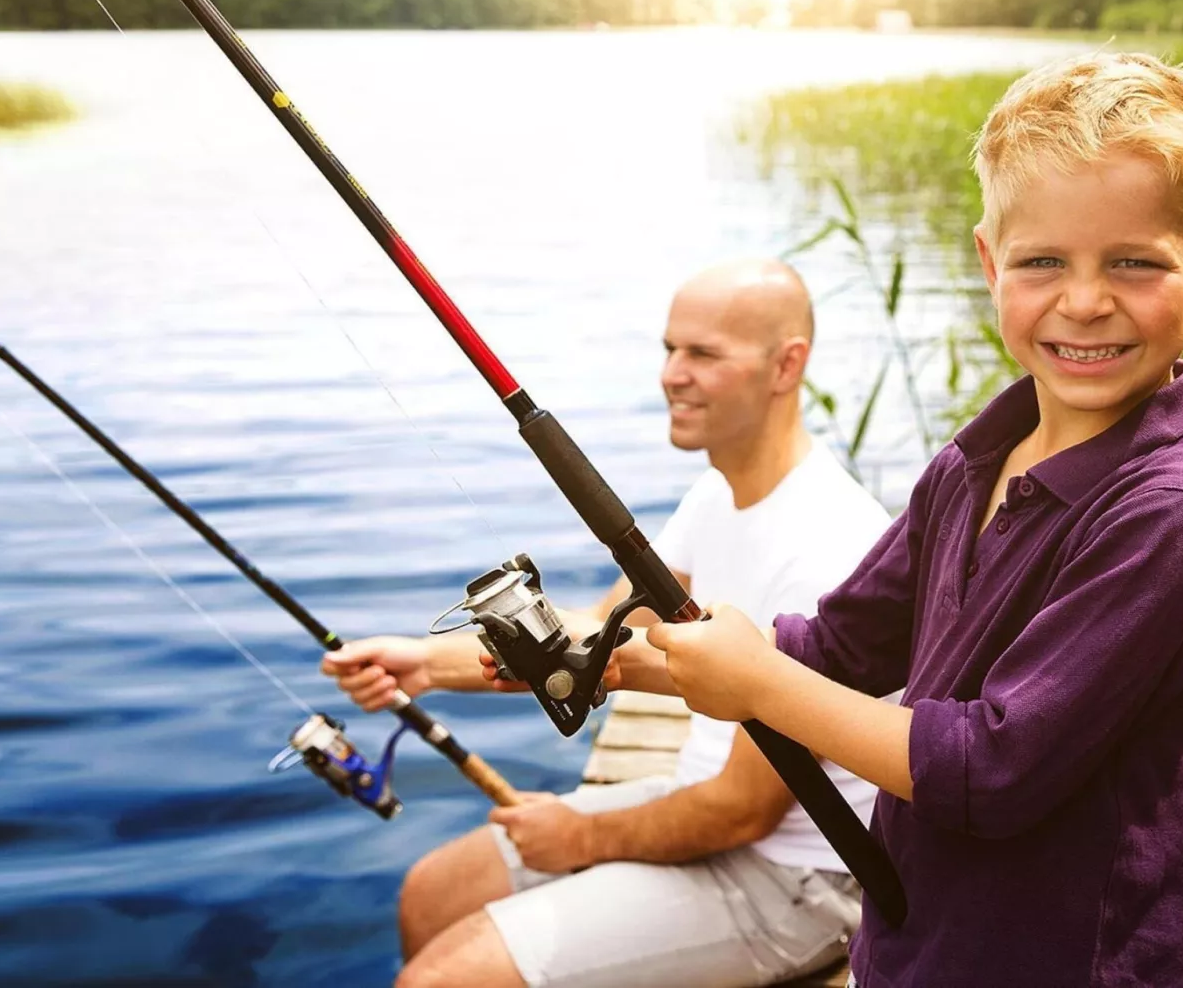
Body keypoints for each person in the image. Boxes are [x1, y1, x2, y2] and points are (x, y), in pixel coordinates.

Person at [636, 52, 1183, 987]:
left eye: (1134, 263)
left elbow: (992, 768)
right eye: (1042, 261)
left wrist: (758, 685)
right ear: (988, 262)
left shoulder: (1172, 511)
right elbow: (842, 645)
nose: (1085, 301)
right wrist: (638, 661)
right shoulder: (975, 459)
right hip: (916, 938)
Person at [321, 258, 895, 988]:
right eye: (669, 350)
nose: (671, 375)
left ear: (788, 365)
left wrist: (581, 835)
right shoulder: (720, 492)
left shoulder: (827, 547)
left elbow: (741, 811)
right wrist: (425, 666)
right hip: (704, 806)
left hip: (800, 879)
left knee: (439, 981)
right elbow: (593, 647)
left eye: (703, 355)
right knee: (434, 893)